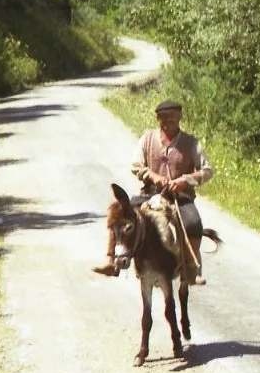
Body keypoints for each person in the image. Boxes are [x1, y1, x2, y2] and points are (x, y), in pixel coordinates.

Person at [92, 99, 215, 283]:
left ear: (180, 117)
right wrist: (152, 176)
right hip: (150, 193)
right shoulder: (147, 138)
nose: (169, 121)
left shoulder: (191, 143)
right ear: (157, 118)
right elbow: (136, 165)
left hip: (179, 197)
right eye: (164, 117)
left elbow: (207, 171)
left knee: (193, 222)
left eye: (173, 117)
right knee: (119, 212)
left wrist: (185, 180)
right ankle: (111, 260)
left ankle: (191, 268)